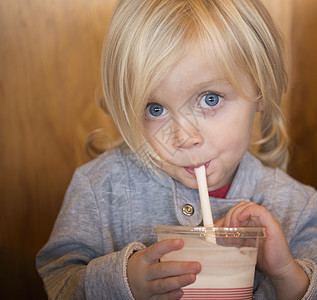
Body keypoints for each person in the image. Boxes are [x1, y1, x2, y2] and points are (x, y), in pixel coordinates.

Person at [36, 0, 317, 299]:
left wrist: (286, 273)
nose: (185, 137)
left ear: (259, 90)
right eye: (155, 109)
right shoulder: (101, 188)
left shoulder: (296, 208)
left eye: (210, 99)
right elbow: (59, 280)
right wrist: (122, 282)